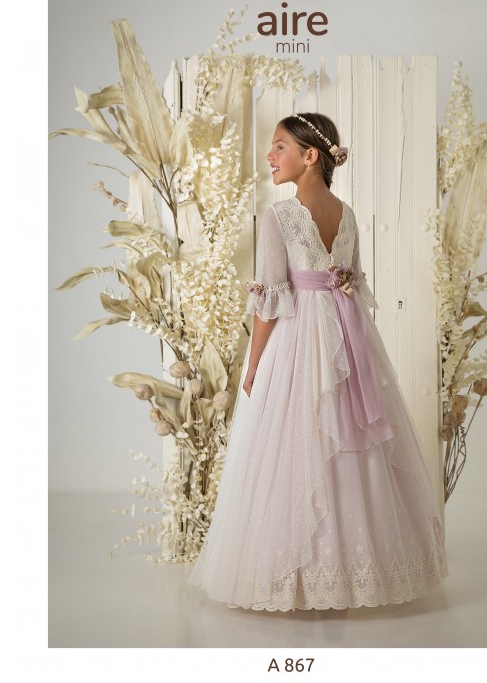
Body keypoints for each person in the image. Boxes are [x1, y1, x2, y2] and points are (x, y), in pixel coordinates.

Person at [187, 112, 448, 611]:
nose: (270, 156)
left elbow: (270, 299)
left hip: (300, 338)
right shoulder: (346, 213)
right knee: (350, 436)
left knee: (299, 441)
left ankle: (302, 575)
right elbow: (355, 283)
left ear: (311, 156)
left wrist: (253, 365)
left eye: (279, 146)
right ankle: (355, 570)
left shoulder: (279, 217)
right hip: (348, 339)